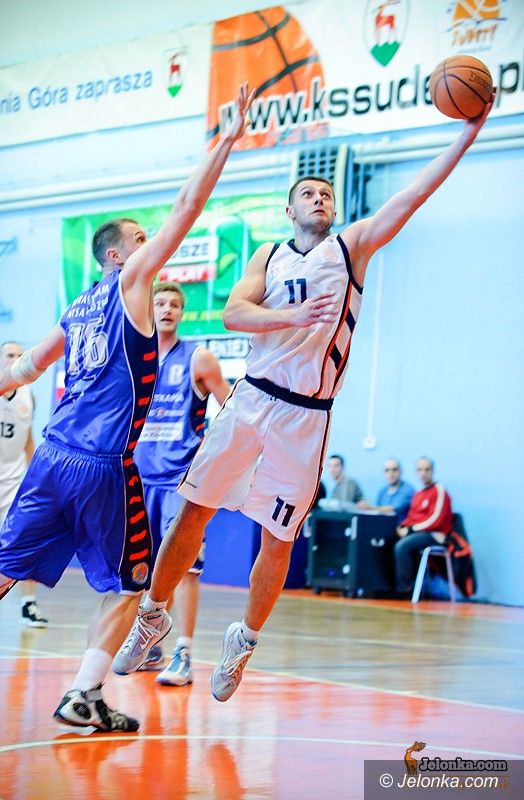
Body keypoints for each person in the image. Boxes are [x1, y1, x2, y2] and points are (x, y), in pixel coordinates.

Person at [114, 95, 494, 700]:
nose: (319, 199)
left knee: (279, 538)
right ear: (289, 209)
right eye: (308, 194)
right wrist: (288, 316)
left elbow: (415, 194)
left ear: (333, 209)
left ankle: (243, 641)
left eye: (325, 195)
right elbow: (235, 313)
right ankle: (153, 616)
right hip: (250, 399)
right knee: (193, 512)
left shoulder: (352, 248)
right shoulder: (267, 255)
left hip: (305, 416)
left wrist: (468, 133)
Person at [0, 83, 254, 731]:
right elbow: (188, 206)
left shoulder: (76, 306)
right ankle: (85, 693)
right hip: (101, 467)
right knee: (131, 585)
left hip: (50, 458)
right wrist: (225, 143)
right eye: (141, 238)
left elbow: (25, 369)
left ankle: (89, 694)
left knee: (5, 566)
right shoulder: (131, 282)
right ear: (119, 255)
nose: (152, 243)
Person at [134, 281, 230, 685]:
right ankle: (153, 642)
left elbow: (231, 410)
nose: (167, 309)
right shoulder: (136, 358)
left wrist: (214, 453)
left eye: (174, 304)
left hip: (180, 481)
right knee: (146, 569)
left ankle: (184, 653)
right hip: (139, 477)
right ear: (150, 309)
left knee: (186, 568)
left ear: (182, 313)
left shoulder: (198, 358)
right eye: (160, 303)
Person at [0, 341, 48, 627]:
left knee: (24, 540)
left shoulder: (28, 395)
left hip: (13, 480)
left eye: (20, 355)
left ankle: (28, 604)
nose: (16, 359)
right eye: (10, 355)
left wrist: (35, 474)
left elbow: (28, 437)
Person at [394, 457, 454, 597]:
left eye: (427, 469)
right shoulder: (418, 494)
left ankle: (405, 590)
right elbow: (412, 517)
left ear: (433, 471)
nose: (423, 473)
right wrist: (402, 527)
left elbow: (435, 520)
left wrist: (410, 530)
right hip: (418, 533)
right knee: (390, 540)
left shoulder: (439, 491)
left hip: (435, 535)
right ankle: (385, 586)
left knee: (403, 545)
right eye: (420, 470)